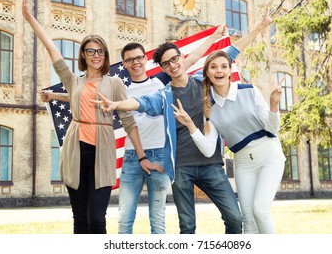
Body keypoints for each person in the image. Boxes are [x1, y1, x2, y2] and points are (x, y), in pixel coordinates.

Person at [40, 26, 226, 234]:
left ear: (145, 59)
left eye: (139, 57)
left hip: (157, 154)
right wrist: (56, 96)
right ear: (124, 64)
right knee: (122, 219)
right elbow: (87, 97)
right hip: (131, 157)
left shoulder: (160, 82)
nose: (135, 62)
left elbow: (190, 59)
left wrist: (213, 37)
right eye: (129, 60)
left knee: (156, 219)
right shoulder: (121, 87)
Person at [22, 0, 161, 234]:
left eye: (100, 51)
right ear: (83, 55)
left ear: (105, 55)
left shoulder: (115, 82)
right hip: (75, 151)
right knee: (80, 219)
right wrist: (29, 17)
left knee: (97, 219)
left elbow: (128, 121)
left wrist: (141, 157)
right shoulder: (73, 80)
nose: (95, 55)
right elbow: (52, 49)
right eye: (90, 51)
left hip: (102, 152)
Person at [171, 49, 286, 234]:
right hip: (243, 163)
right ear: (207, 73)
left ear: (230, 71)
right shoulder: (209, 108)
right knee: (247, 220)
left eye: (224, 66)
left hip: (268, 155)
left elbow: (273, 129)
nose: (219, 71)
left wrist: (273, 105)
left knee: (260, 211)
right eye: (214, 67)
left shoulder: (250, 91)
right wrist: (191, 125)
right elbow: (209, 150)